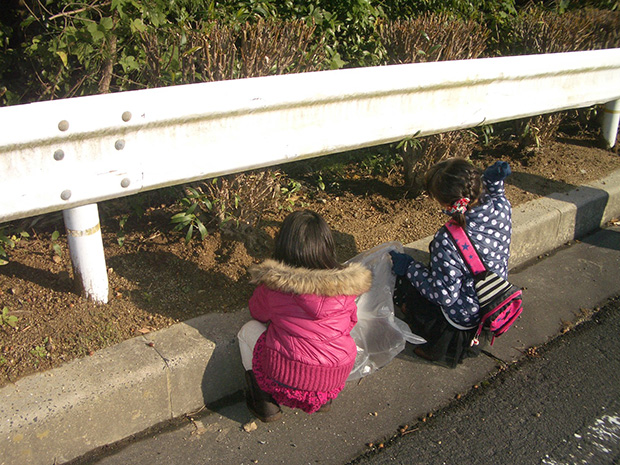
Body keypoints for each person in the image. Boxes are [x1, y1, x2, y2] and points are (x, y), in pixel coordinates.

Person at [237, 210, 372, 422]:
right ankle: (323, 400)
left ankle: (264, 403)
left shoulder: (275, 286)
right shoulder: (346, 286)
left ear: (283, 244)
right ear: (327, 245)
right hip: (335, 375)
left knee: (247, 331)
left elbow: (257, 313)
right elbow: (351, 322)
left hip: (287, 375)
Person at [390, 157, 512, 368]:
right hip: (491, 301)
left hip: (463, 320)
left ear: (447, 204)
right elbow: (496, 194)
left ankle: (437, 347)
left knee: (405, 286)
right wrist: (493, 181)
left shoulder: (447, 240)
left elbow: (444, 296)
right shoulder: (501, 207)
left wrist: (409, 267)